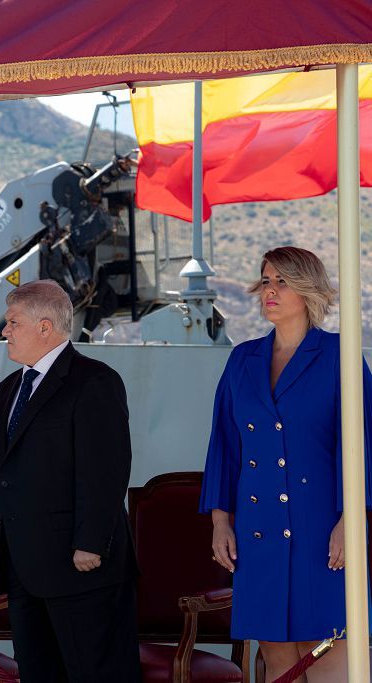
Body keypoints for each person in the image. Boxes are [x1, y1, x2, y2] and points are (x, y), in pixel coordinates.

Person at [201, 246, 372, 682]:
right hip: (258, 532)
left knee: (331, 652)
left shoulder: (340, 354)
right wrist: (221, 520)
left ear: (308, 290)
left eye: (282, 281)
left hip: (324, 531)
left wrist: (351, 522)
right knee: (279, 660)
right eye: (265, 280)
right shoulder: (242, 359)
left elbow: (364, 444)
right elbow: (224, 444)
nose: (269, 291)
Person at [0, 279, 139, 683]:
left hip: (81, 567)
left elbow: (107, 469)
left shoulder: (94, 380)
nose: (5, 331)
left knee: (94, 674)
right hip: (23, 567)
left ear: (45, 327)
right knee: (38, 674)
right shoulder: (7, 390)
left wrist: (90, 542)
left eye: (12, 323)